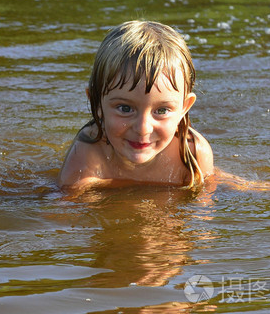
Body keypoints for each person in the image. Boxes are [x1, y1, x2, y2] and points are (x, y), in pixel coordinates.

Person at [57, 20, 213, 191]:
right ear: (97, 103)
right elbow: (67, 206)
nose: (143, 129)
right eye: (125, 108)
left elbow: (202, 211)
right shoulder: (88, 150)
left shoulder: (192, 152)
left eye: (162, 110)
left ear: (184, 108)